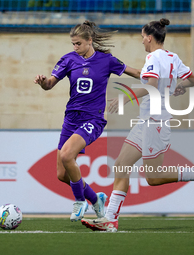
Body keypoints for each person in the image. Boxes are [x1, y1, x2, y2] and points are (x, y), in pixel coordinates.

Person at [81, 18, 194, 232]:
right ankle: (110, 220)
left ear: (149, 37)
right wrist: (180, 86)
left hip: (155, 122)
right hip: (147, 121)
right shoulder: (172, 57)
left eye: (142, 37)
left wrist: (125, 97)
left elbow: (151, 85)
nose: (142, 42)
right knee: (121, 164)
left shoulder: (152, 58)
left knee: (154, 177)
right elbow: (193, 79)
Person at [34, 20, 141, 221]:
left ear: (89, 41)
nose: (75, 47)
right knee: (61, 174)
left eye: (78, 44)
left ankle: (79, 201)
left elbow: (134, 72)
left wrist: (156, 79)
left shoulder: (106, 60)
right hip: (71, 118)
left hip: (93, 118)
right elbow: (49, 84)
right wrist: (42, 83)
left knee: (67, 156)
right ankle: (95, 199)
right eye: (73, 44)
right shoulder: (68, 60)